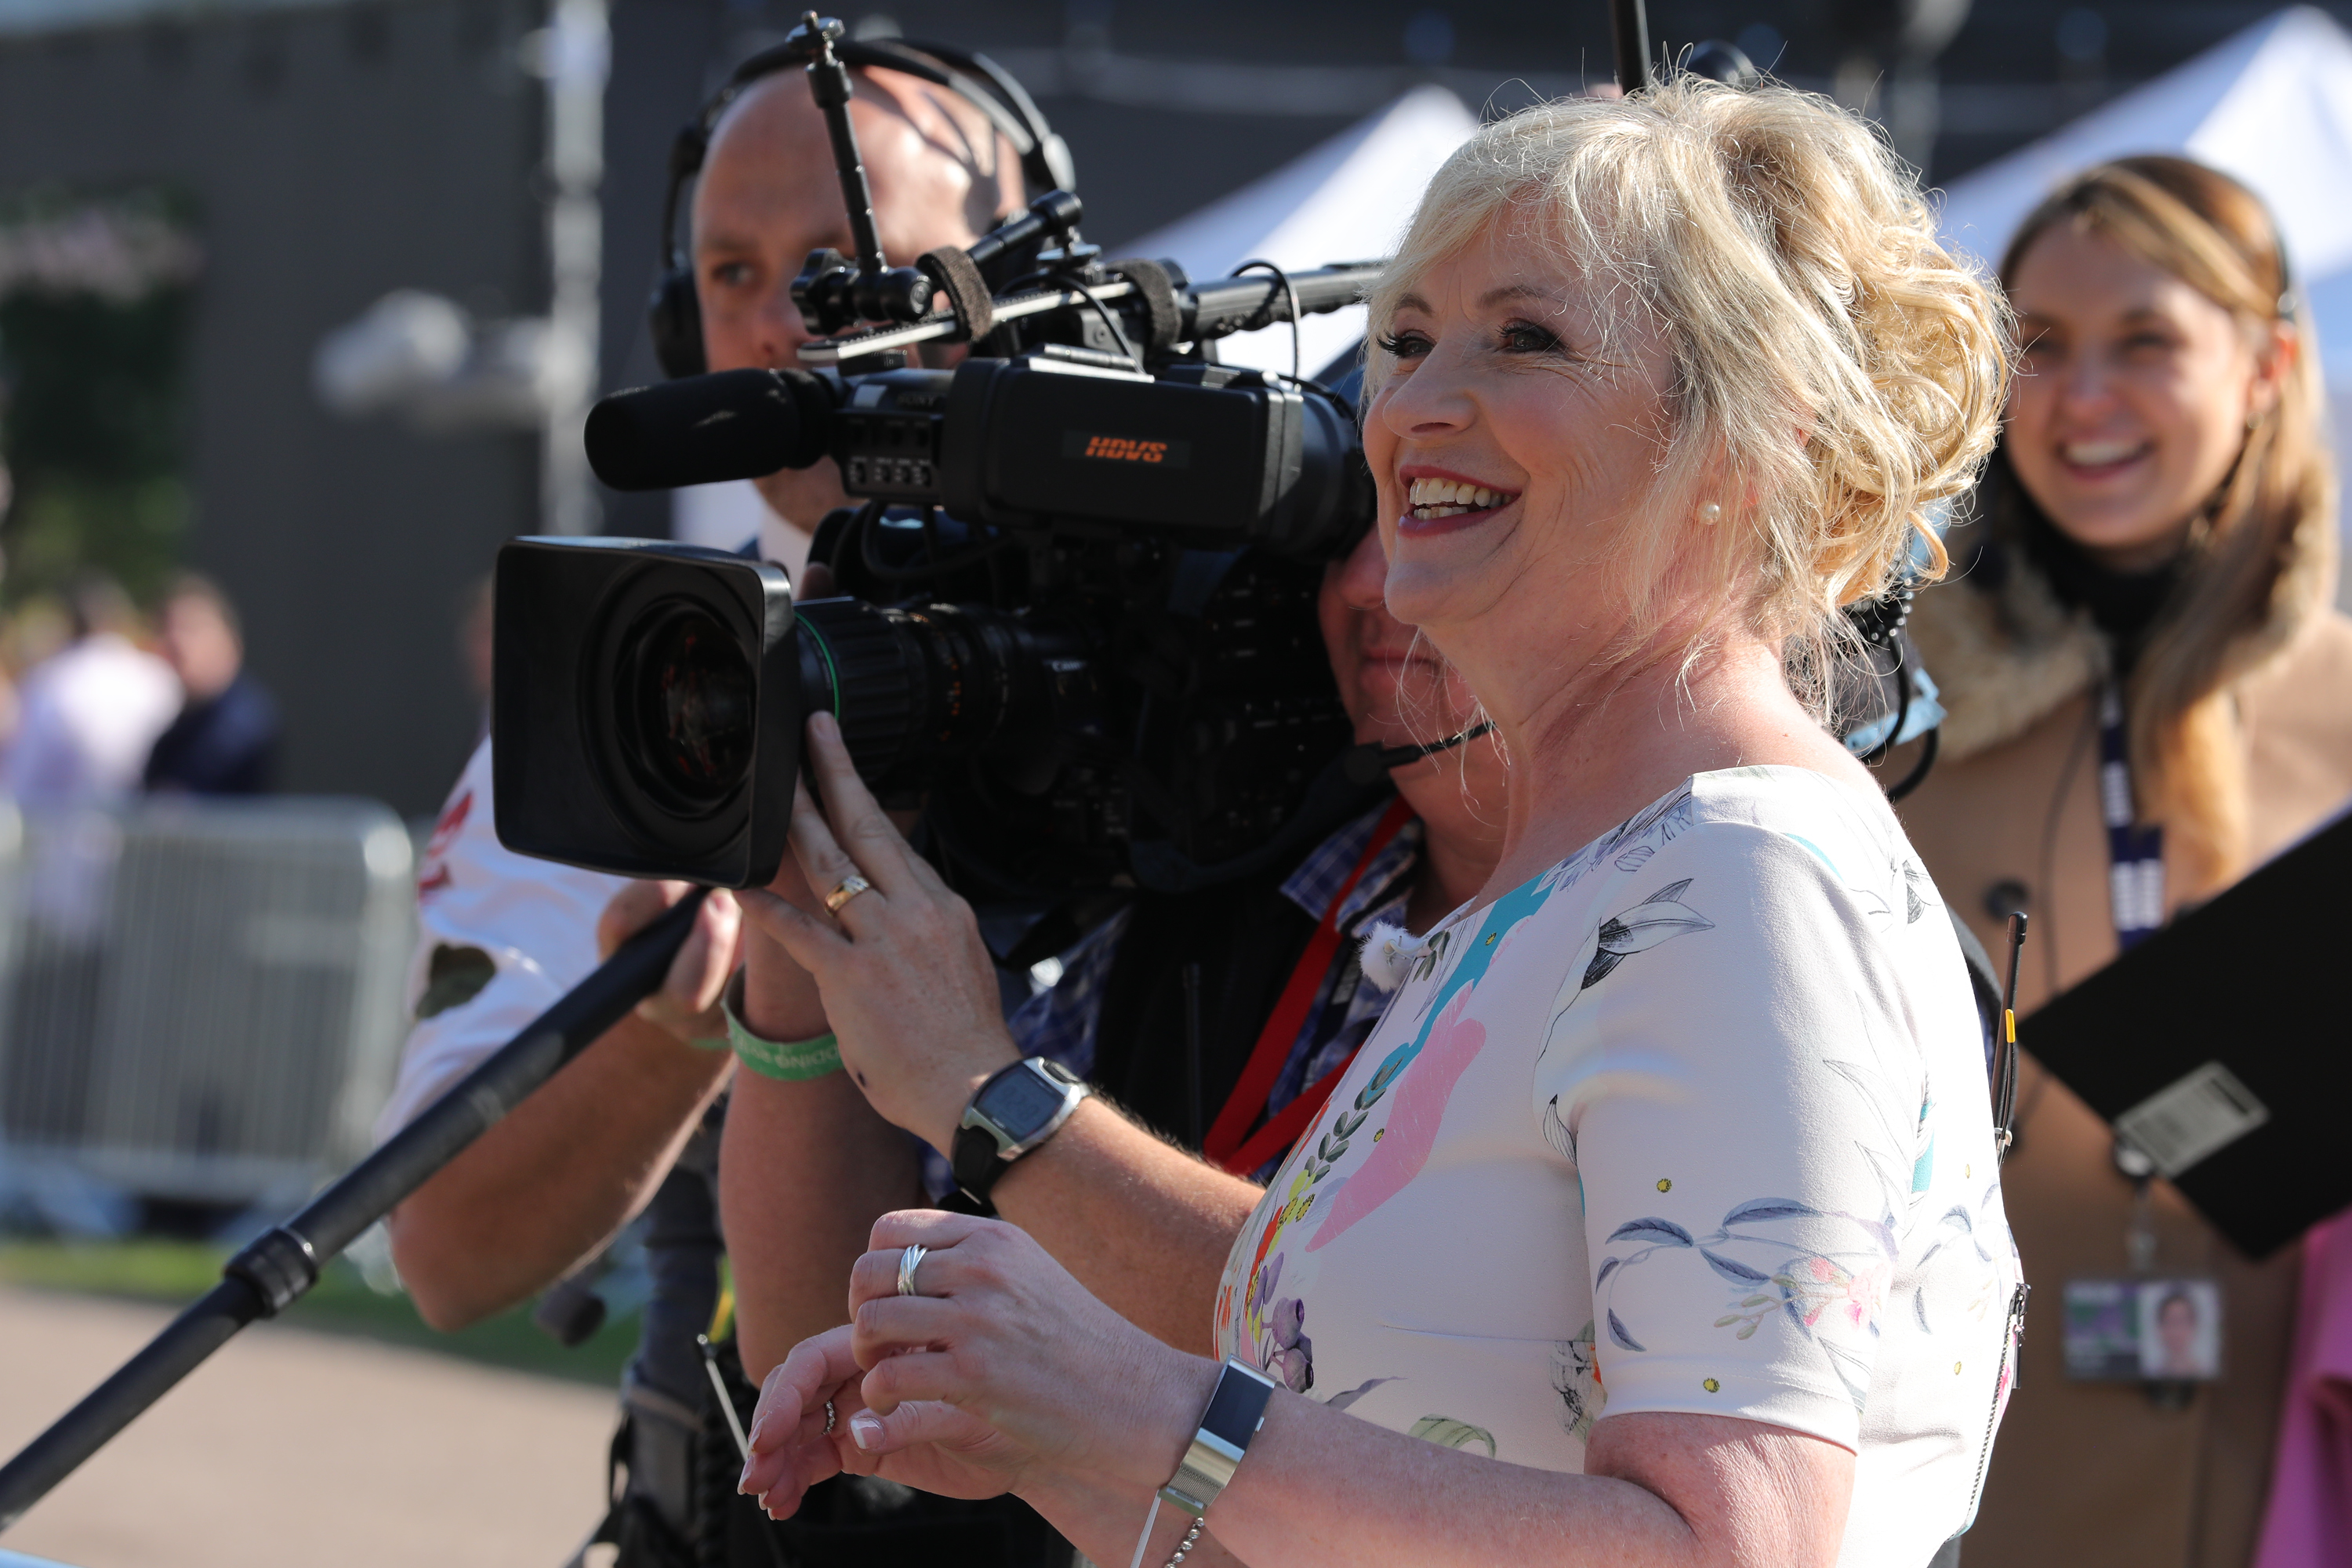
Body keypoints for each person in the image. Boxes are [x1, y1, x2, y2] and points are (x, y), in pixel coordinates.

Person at [735, 75, 2019, 1568]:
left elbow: (1727, 1553)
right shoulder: (1571, 893)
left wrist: (1138, 1414)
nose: (1415, 404)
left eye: (1526, 337)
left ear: (1747, 445)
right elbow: (1406, 1469)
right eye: (1408, 340)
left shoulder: (1741, 890)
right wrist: (1037, 1425)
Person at [371, 43, 1066, 1568]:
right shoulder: (624, 698)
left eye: (843, 264)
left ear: (1012, 282)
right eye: (733, 272)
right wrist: (676, 1033)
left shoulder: (1206, 648)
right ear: (678, 325)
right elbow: (444, 1253)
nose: (779, 322)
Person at [1889, 156, 2352, 1568]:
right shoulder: (1891, 715)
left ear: (2268, 364)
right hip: (1960, 1463)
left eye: (2145, 341)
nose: (2082, 398)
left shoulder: (2343, 711)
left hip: (2286, 1455)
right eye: (2038, 347)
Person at [1, 572, 179, 810]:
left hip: (61, 831)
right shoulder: (159, 677)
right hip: (145, 828)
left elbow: (24, 775)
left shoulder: (49, 681)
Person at [143, 572, 279, 795]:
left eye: (191, 628)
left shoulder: (244, 727)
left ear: (230, 641)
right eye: (166, 628)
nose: (176, 641)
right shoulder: (174, 734)